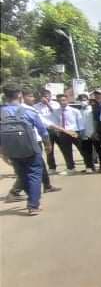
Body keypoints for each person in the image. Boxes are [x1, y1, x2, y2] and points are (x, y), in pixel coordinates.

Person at [0, 86, 54, 215]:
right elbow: (42, 130)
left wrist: (2, 151)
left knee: (22, 175)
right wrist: (48, 145)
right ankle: (33, 205)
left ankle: (31, 201)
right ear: (19, 95)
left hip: (11, 149)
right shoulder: (28, 111)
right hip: (30, 147)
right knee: (35, 174)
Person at [51, 93, 85, 174]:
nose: (62, 102)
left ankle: (89, 166)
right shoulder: (56, 112)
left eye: (63, 100)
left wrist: (80, 133)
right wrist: (58, 132)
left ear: (67, 100)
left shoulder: (74, 111)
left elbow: (80, 123)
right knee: (66, 151)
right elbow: (55, 123)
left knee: (82, 150)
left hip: (74, 132)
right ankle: (71, 168)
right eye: (60, 101)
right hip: (63, 133)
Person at [34, 89, 59, 171]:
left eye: (46, 96)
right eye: (43, 96)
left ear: (50, 96)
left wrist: (48, 104)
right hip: (45, 130)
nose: (45, 98)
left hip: (56, 129)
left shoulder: (55, 104)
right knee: (49, 149)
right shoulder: (36, 106)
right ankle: (52, 167)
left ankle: (70, 167)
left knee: (64, 148)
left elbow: (56, 114)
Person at [77, 93, 97, 173]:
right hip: (84, 134)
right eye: (81, 100)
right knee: (86, 151)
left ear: (88, 100)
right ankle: (89, 167)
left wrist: (95, 132)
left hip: (93, 133)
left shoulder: (92, 109)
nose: (83, 101)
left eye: (84, 100)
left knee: (97, 150)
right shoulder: (79, 111)